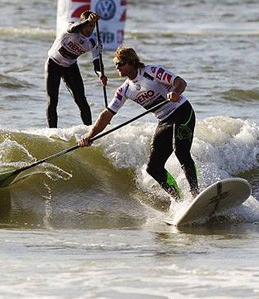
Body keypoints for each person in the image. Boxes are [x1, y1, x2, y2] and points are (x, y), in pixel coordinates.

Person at [78, 46, 199, 200]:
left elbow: (180, 82)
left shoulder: (152, 71)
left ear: (131, 62)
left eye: (120, 63)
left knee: (181, 151)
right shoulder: (124, 90)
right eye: (115, 64)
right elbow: (107, 115)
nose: (116, 67)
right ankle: (179, 199)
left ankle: (195, 193)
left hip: (182, 111)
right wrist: (89, 136)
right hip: (164, 120)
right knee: (153, 168)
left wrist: (175, 92)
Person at [45, 10, 107, 128]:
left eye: (93, 26)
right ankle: (52, 133)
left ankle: (89, 132)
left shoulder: (95, 41)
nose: (91, 29)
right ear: (83, 23)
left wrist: (100, 75)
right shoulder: (71, 27)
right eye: (89, 25)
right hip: (53, 64)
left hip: (70, 66)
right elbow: (73, 28)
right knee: (52, 101)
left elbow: (97, 62)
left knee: (82, 101)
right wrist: (88, 20)